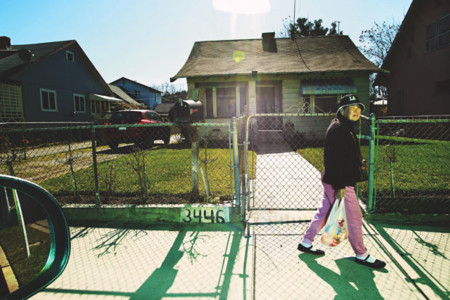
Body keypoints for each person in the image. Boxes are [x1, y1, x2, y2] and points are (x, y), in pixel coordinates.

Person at [297, 94, 386, 269]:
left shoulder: (344, 126)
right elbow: (334, 160)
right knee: (354, 218)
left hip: (333, 179)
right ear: (342, 110)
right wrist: (340, 186)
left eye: (358, 108)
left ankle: (306, 242)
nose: (356, 111)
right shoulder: (340, 129)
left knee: (324, 211)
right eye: (351, 108)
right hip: (340, 182)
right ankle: (362, 254)